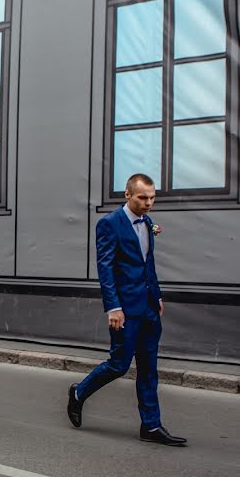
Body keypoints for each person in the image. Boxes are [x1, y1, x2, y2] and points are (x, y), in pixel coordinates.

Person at [67, 174, 187, 446]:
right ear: (128, 195)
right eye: (143, 197)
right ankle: (78, 393)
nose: (148, 203)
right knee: (119, 365)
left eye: (152, 197)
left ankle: (151, 426)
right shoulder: (109, 224)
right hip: (125, 309)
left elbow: (148, 264)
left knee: (149, 368)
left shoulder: (147, 223)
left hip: (148, 308)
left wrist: (157, 296)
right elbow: (106, 269)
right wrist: (114, 307)